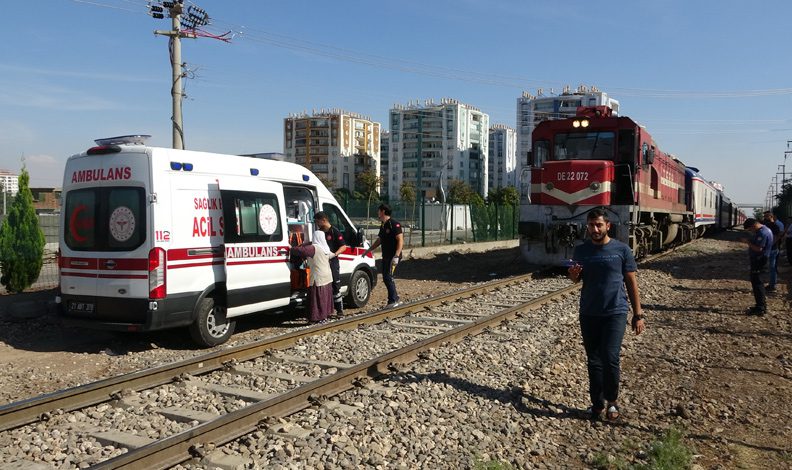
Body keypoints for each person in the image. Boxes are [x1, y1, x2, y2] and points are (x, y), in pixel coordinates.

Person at [567, 209, 645, 422]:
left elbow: (631, 281)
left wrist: (638, 314)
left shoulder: (622, 249)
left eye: (599, 225)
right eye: (591, 225)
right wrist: (573, 276)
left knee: (610, 358)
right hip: (589, 312)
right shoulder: (581, 250)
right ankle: (597, 403)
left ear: (608, 226)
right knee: (593, 361)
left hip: (615, 311)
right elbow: (576, 278)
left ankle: (612, 401)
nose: (595, 229)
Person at [362, 203, 404, 308]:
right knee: (386, 277)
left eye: (379, 210)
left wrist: (397, 255)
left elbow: (400, 240)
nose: (377, 213)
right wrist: (369, 250)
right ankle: (394, 298)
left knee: (388, 276)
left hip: (393, 256)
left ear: (383, 211)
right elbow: (379, 240)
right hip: (386, 256)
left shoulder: (394, 224)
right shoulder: (383, 225)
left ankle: (393, 300)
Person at [291, 230, 334, 323]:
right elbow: (332, 255)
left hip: (318, 277)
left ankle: (317, 318)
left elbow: (296, 250)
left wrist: (303, 244)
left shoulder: (313, 248)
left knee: (316, 298)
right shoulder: (326, 248)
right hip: (327, 276)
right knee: (325, 297)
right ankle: (325, 316)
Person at [314, 211, 348, 317]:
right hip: (322, 263)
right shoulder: (319, 233)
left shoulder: (334, 232)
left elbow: (343, 246)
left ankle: (340, 310)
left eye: (318, 222)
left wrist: (334, 254)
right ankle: (326, 310)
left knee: (335, 286)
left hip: (332, 262)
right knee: (324, 286)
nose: (317, 224)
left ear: (324, 220)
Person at [741, 218, 773, 315]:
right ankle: (761, 305)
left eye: (751, 229)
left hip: (760, 261)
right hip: (760, 260)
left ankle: (760, 308)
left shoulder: (762, 233)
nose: (751, 231)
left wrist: (748, 242)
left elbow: (758, 248)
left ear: (754, 226)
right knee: (758, 284)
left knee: (758, 284)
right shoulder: (764, 230)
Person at [762, 211, 783, 292]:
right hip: (772, 248)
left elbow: (777, 236)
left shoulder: (774, 226)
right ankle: (772, 284)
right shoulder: (769, 225)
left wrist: (770, 244)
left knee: (772, 267)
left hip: (773, 249)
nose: (765, 218)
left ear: (771, 216)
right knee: (771, 267)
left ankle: (772, 286)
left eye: (767, 216)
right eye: (765, 216)